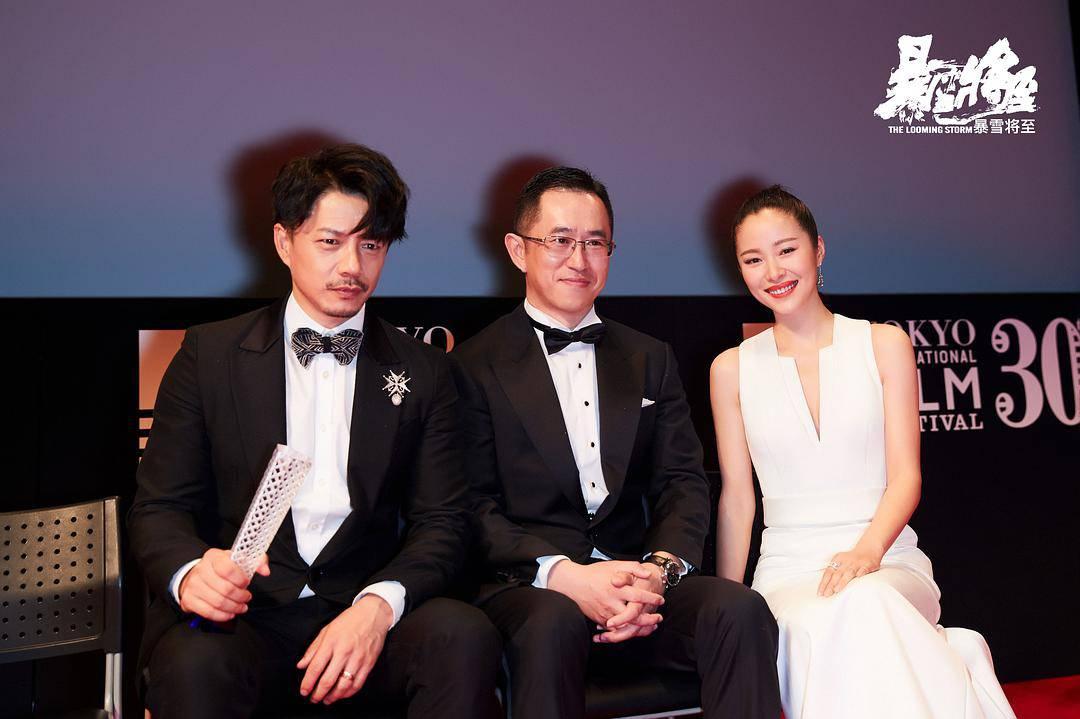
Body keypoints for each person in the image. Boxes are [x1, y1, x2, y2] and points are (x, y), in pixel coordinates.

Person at [129, 143, 501, 719]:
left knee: (461, 634)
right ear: (285, 242)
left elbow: (443, 520)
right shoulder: (209, 355)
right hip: (245, 618)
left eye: (371, 244)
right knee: (194, 661)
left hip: (364, 610)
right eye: (330, 241)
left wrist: (378, 607)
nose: (352, 266)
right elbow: (159, 509)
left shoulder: (425, 370)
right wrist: (191, 574)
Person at [451, 167, 782, 719]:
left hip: (639, 583)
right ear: (517, 249)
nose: (578, 260)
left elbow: (682, 482)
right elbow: (471, 505)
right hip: (532, 587)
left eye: (595, 243)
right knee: (551, 622)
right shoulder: (471, 366)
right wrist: (567, 576)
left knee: (738, 610)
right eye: (560, 240)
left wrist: (658, 572)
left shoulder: (649, 357)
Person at [710, 185, 1016, 718]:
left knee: (865, 601)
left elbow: (906, 478)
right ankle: (950, 669)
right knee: (832, 619)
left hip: (888, 559)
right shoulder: (730, 369)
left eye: (787, 250)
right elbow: (738, 499)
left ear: (818, 249)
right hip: (787, 571)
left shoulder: (883, 344)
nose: (773, 271)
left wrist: (867, 553)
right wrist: (725, 601)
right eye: (753, 259)